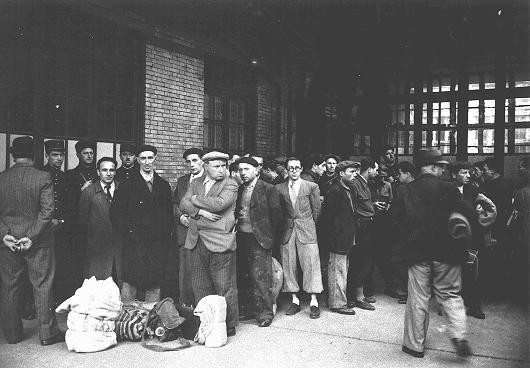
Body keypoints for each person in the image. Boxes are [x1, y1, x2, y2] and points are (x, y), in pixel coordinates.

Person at [392, 148, 474, 358]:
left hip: (417, 254)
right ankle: (458, 335)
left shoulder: (404, 190)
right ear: (434, 167)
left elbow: (395, 222)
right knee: (450, 295)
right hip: (448, 254)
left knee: (418, 298)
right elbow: (468, 215)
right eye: (440, 166)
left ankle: (414, 346)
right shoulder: (450, 188)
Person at [0, 136, 63, 345]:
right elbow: (47, 212)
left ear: (12, 154)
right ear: (35, 155)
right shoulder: (43, 177)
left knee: (9, 287)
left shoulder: (2, 178)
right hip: (38, 242)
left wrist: (4, 235)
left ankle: (12, 334)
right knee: (43, 284)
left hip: (8, 242)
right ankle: (47, 334)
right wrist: (30, 237)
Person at [180, 151, 239, 337]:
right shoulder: (195, 182)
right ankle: (206, 322)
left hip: (219, 241)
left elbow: (219, 204)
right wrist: (200, 213)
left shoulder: (230, 183)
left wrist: (195, 201)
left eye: (224, 166)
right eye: (216, 166)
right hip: (196, 240)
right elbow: (183, 204)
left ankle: (228, 325)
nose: (222, 170)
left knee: (224, 286)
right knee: (200, 284)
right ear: (206, 167)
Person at [110, 144, 173, 303]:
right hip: (134, 243)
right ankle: (127, 321)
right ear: (137, 160)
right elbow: (115, 214)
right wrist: (129, 233)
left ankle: (150, 320)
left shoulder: (163, 186)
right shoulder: (127, 184)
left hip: (156, 244)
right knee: (130, 282)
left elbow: (168, 217)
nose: (147, 162)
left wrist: (163, 238)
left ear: (155, 159)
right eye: (143, 158)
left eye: (150, 158)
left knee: (154, 283)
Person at [235, 157, 282, 327]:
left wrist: (268, 236)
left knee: (261, 278)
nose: (243, 173)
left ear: (257, 171)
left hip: (260, 239)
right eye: (240, 170)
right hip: (241, 237)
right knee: (245, 276)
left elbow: (276, 216)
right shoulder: (240, 188)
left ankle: (264, 314)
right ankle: (249, 310)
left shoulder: (269, 189)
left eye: (246, 169)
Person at [448, 161, 496, 320]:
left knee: (474, 273)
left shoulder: (474, 189)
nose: (469, 175)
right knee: (453, 273)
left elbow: (487, 208)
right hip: (453, 237)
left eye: (469, 172)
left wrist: (480, 216)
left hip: (473, 237)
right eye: (464, 172)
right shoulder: (446, 189)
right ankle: (452, 306)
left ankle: (475, 306)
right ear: (454, 174)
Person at [277, 157, 323, 319]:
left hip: (307, 230)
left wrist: (308, 225)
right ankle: (294, 300)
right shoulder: (279, 188)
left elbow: (317, 211)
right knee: (288, 264)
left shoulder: (311, 186)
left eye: (297, 168)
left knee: (311, 264)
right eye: (291, 168)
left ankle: (313, 301)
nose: (294, 171)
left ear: (302, 169)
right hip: (287, 231)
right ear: (286, 170)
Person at [322, 161, 360, 315]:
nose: (355, 174)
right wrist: (334, 237)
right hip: (338, 239)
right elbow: (328, 218)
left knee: (342, 269)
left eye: (355, 171)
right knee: (338, 271)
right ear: (341, 173)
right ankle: (337, 303)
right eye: (351, 171)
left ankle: (339, 300)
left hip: (345, 238)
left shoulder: (346, 188)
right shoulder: (335, 190)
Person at [43, 140, 76, 305]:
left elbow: (71, 205)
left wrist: (62, 220)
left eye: (61, 155)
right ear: (47, 155)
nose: (59, 158)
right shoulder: (40, 174)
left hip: (62, 230)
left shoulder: (66, 177)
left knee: (61, 265)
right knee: (43, 268)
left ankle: (58, 300)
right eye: (55, 155)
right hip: (42, 230)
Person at [78, 157, 121, 281]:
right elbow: (82, 220)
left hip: (119, 247)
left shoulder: (122, 189)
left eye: (112, 170)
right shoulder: (89, 192)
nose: (108, 173)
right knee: (98, 285)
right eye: (104, 170)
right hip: (97, 248)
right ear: (98, 172)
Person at [171, 147, 204, 306]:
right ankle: (186, 307)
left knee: (201, 273)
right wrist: (180, 216)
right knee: (185, 273)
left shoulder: (210, 180)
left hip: (203, 233)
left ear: (202, 161)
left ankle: (201, 308)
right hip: (184, 233)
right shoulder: (182, 181)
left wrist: (193, 218)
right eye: (188, 161)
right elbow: (175, 203)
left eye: (195, 160)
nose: (191, 164)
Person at [346, 158, 379, 311]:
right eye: (376, 169)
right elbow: (353, 206)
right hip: (361, 226)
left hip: (367, 223)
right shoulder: (355, 183)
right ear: (370, 169)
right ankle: (357, 297)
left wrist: (372, 206)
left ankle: (357, 296)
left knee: (365, 260)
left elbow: (362, 203)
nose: (377, 172)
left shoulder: (363, 183)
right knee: (361, 260)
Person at [364, 166, 394, 302]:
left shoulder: (388, 185)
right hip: (371, 223)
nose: (381, 179)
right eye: (379, 176)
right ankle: (368, 289)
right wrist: (373, 205)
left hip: (384, 223)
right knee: (369, 258)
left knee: (385, 257)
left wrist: (387, 207)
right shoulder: (368, 185)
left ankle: (390, 286)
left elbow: (392, 201)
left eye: (384, 177)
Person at [510, 156, 530, 304]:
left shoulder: (521, 192)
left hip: (524, 232)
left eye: (521, 167)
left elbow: (516, 215)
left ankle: (521, 295)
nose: (518, 169)